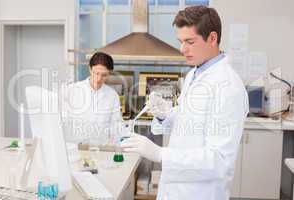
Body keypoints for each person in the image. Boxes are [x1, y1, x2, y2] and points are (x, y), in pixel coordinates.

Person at [121, 5, 249, 200]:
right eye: (181, 41)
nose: (182, 49)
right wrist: (167, 115)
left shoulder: (228, 87)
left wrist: (160, 154)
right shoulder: (193, 75)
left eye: (190, 41)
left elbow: (219, 161)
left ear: (212, 38)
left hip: (200, 193)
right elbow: (191, 123)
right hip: (175, 188)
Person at [63, 52, 123, 145]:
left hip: (100, 149)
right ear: (90, 69)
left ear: (109, 73)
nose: (99, 79)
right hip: (75, 148)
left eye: (104, 75)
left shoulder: (112, 96)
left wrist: (117, 146)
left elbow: (116, 126)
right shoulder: (73, 90)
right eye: (96, 73)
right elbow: (63, 120)